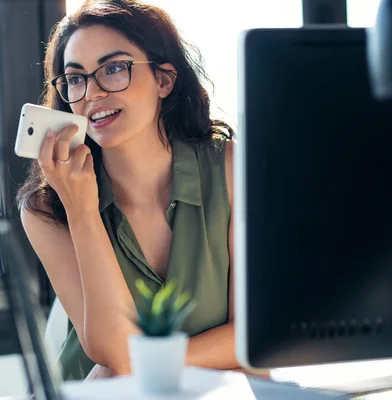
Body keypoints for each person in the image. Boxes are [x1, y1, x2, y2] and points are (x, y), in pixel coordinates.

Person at [17, 0, 239, 381]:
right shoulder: (46, 208)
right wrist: (82, 209)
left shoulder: (230, 167)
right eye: (75, 78)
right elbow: (114, 351)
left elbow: (252, 335)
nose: (92, 93)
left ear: (164, 80)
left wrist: (139, 363)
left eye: (114, 68)